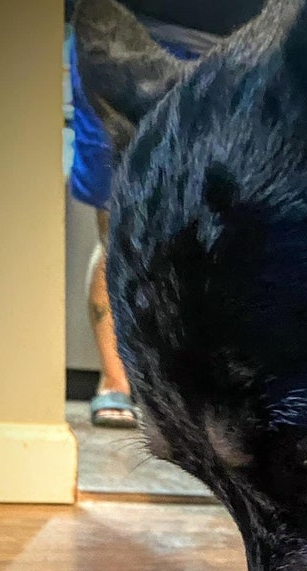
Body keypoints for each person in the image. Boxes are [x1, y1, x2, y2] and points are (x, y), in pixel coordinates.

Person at [69, 1, 261, 426]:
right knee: (121, 236)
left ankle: (225, 399)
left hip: (243, 43)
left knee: (243, 241)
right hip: (128, 37)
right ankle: (117, 382)